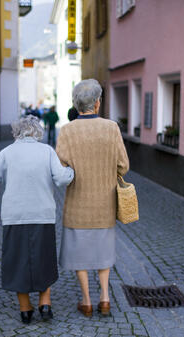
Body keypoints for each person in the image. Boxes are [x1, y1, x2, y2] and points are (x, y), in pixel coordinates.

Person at [0, 115, 74, 324]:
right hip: (42, 214)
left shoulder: (7, 152)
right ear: (38, 132)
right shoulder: (47, 151)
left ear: (17, 132)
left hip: (15, 216)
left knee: (17, 261)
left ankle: (25, 309)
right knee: (44, 258)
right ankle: (45, 302)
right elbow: (61, 179)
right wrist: (71, 171)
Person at [56, 79, 129, 317]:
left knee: (79, 253)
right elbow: (123, 165)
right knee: (103, 251)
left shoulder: (66, 130)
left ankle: (86, 301)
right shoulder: (112, 128)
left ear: (77, 105)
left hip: (77, 204)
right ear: (97, 103)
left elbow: (60, 168)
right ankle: (105, 298)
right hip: (105, 204)